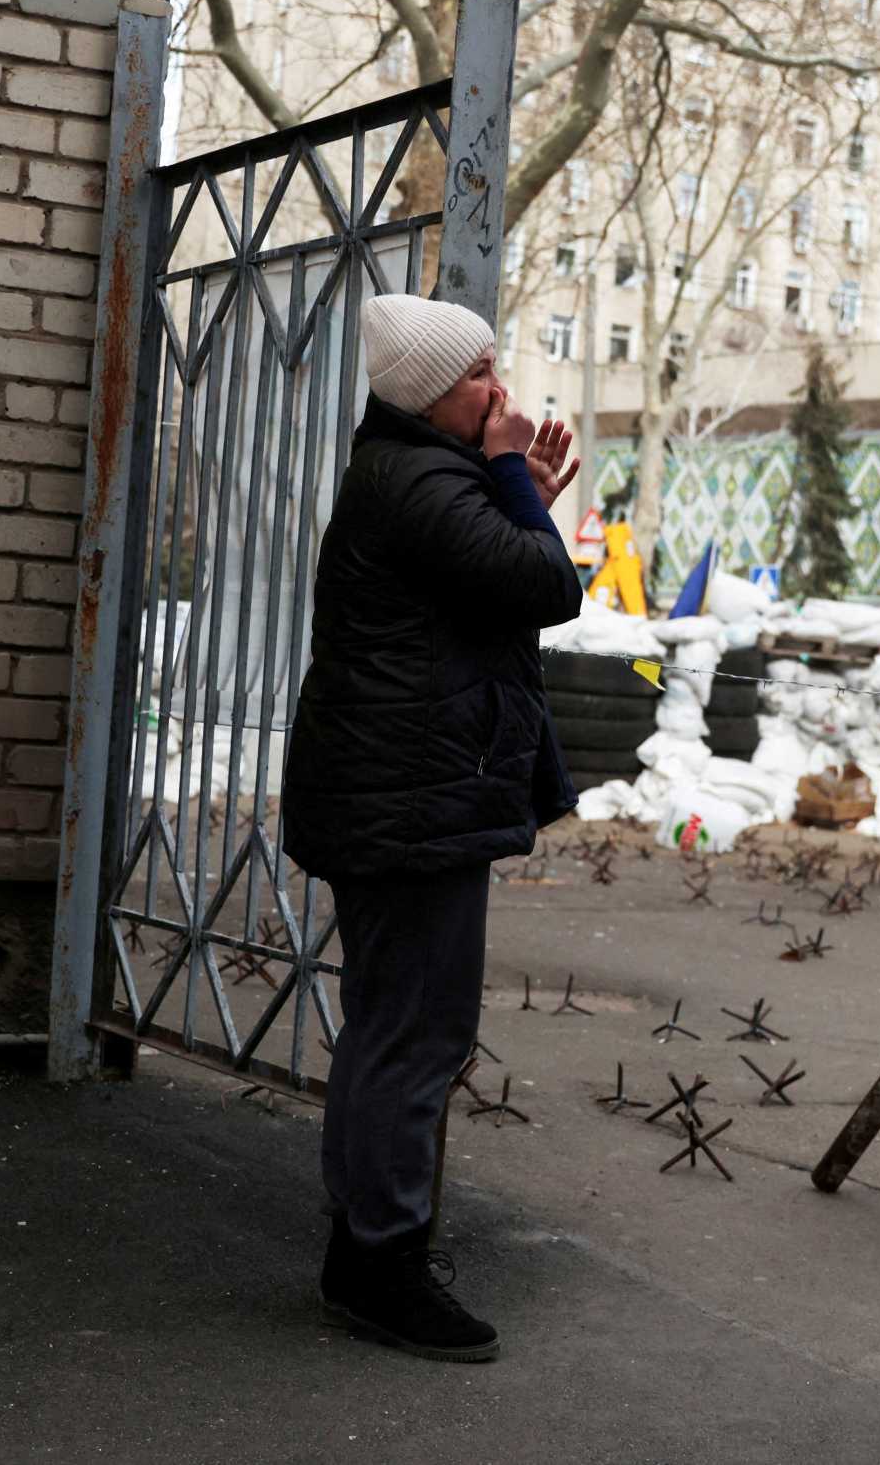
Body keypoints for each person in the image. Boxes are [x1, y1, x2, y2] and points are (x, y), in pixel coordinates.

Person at [278, 293, 583, 1364]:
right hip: (411, 802)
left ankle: (362, 1235)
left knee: (386, 1024)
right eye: (480, 373)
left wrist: (519, 488)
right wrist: (515, 484)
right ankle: (379, 1264)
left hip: (398, 792)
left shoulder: (411, 476)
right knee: (419, 1033)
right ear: (428, 394)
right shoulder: (420, 477)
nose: (501, 390)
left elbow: (488, 593)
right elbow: (549, 587)